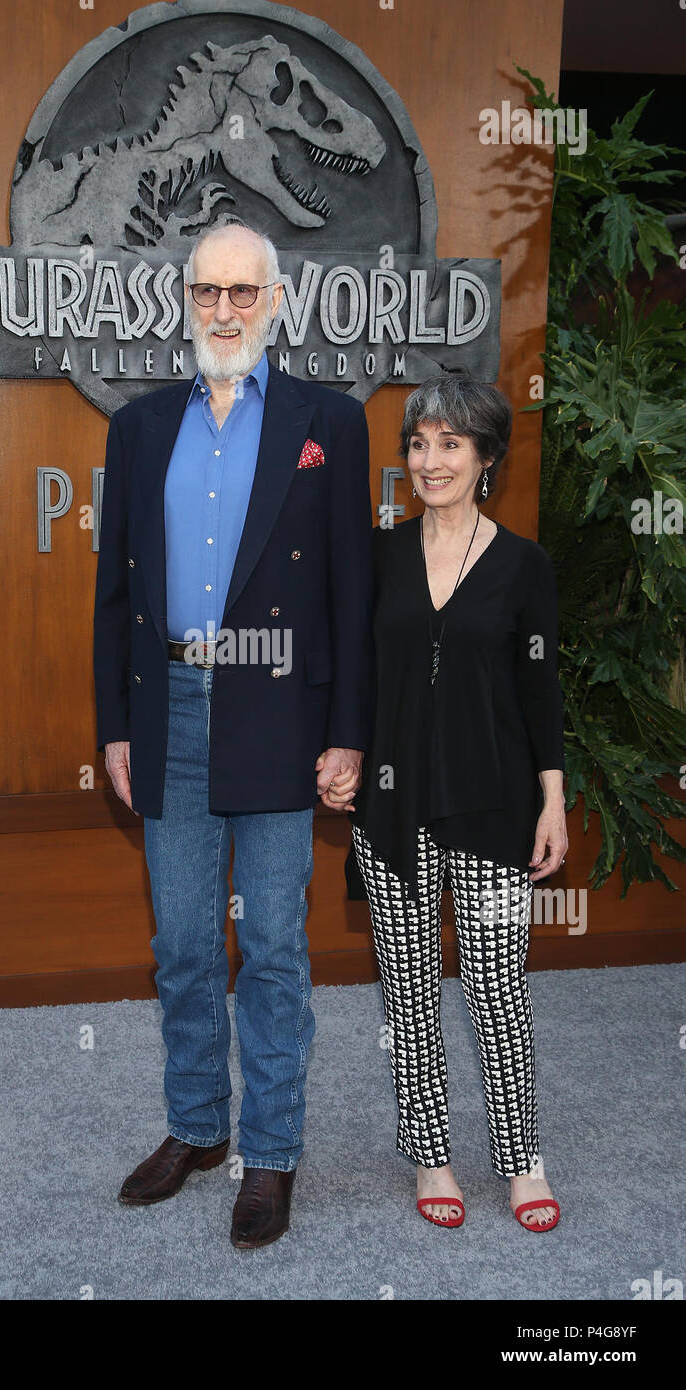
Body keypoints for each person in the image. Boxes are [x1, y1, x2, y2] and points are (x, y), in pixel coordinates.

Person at [93, 220, 373, 1248]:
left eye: (242, 292)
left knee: (271, 944)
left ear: (276, 302)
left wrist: (348, 731)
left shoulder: (329, 423)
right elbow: (115, 591)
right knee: (178, 943)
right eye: (206, 290)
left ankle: (271, 1153)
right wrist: (116, 727)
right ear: (185, 299)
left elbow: (350, 587)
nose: (223, 309)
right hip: (168, 707)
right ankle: (197, 1127)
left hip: (280, 710)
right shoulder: (138, 428)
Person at [337, 371, 567, 1232]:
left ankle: (521, 1160)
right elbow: (356, 677)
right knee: (408, 992)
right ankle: (430, 1157)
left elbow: (539, 690)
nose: (430, 461)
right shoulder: (378, 555)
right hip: (392, 811)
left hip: (495, 803)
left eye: (450, 444)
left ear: (485, 458)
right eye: (419, 443)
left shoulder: (522, 565)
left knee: (497, 988)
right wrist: (342, 758)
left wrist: (552, 799)